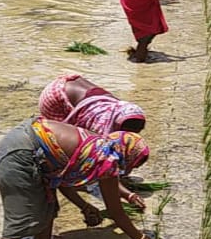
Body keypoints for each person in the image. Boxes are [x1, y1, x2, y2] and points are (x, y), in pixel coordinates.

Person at [0, 117, 151, 239]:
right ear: (128, 155)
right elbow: (116, 212)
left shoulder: (100, 145)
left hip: (22, 140)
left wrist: (85, 206)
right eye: (134, 164)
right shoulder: (106, 159)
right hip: (20, 156)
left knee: (48, 204)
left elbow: (61, 182)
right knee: (19, 223)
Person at [39, 74, 148, 209]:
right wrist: (128, 194)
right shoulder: (102, 127)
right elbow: (104, 167)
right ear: (118, 125)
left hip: (70, 85)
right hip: (55, 97)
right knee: (59, 151)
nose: (132, 134)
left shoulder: (122, 110)